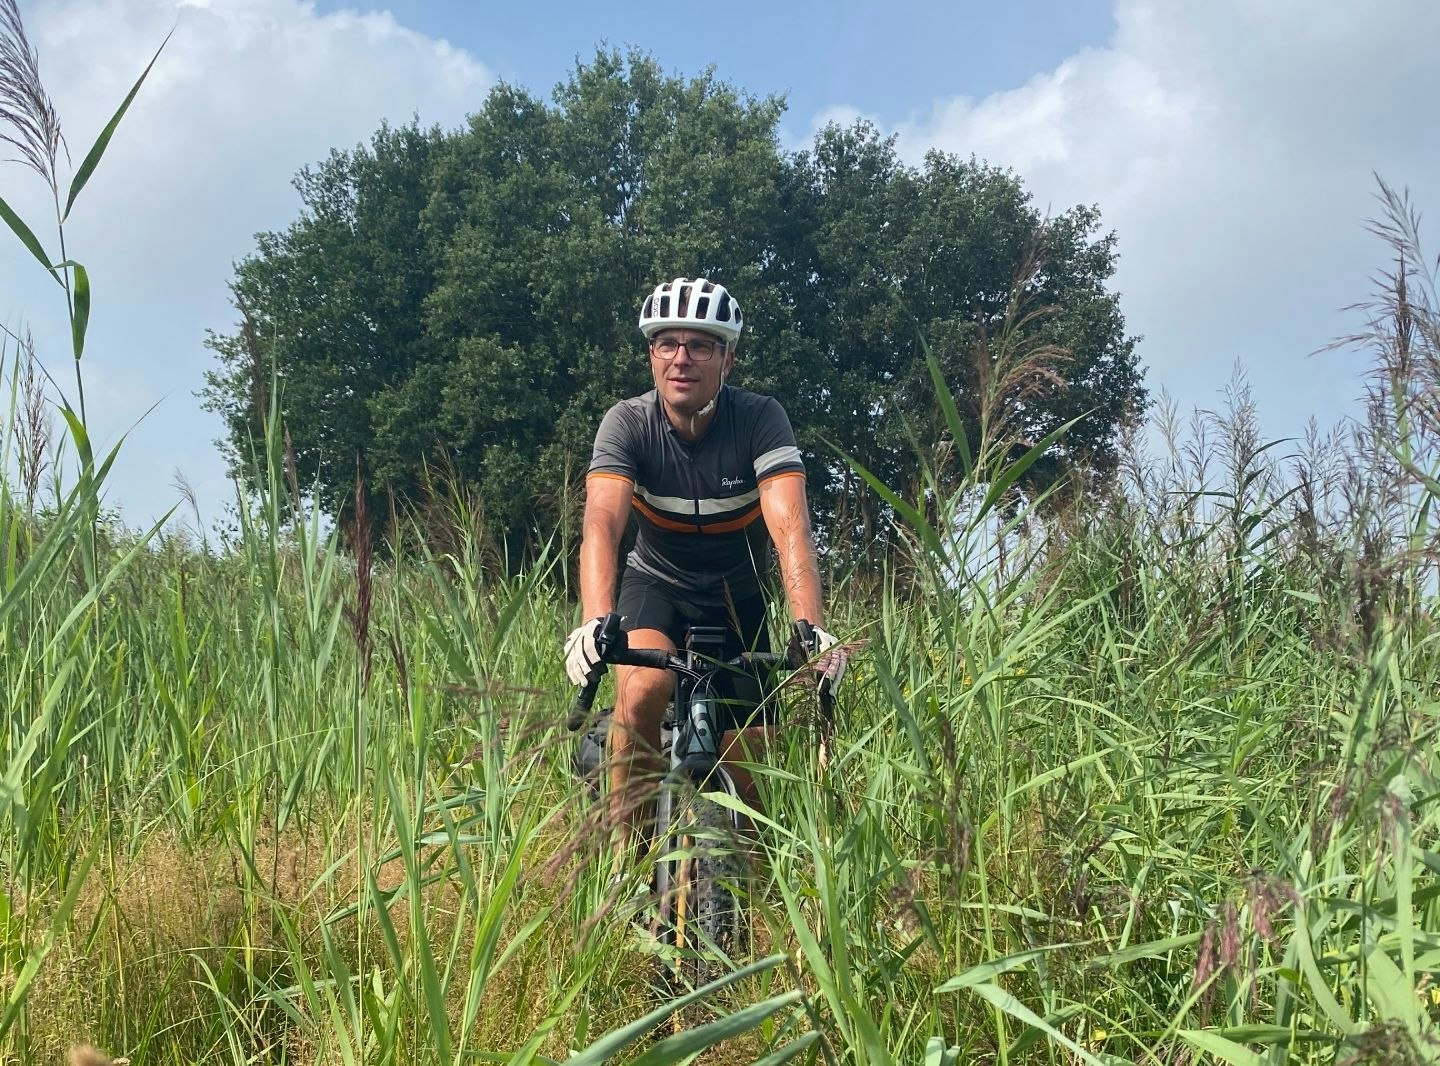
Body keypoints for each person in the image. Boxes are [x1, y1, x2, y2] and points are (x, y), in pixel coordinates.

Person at [564, 276, 845, 855]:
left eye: (702, 345)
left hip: (736, 594)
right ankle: (626, 859)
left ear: (728, 358)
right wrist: (595, 623)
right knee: (643, 690)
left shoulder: (760, 419)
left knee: (751, 754)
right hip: (655, 585)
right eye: (668, 342)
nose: (682, 358)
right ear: (651, 354)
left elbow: (790, 526)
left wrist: (810, 627)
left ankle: (753, 885)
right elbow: (601, 525)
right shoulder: (627, 423)